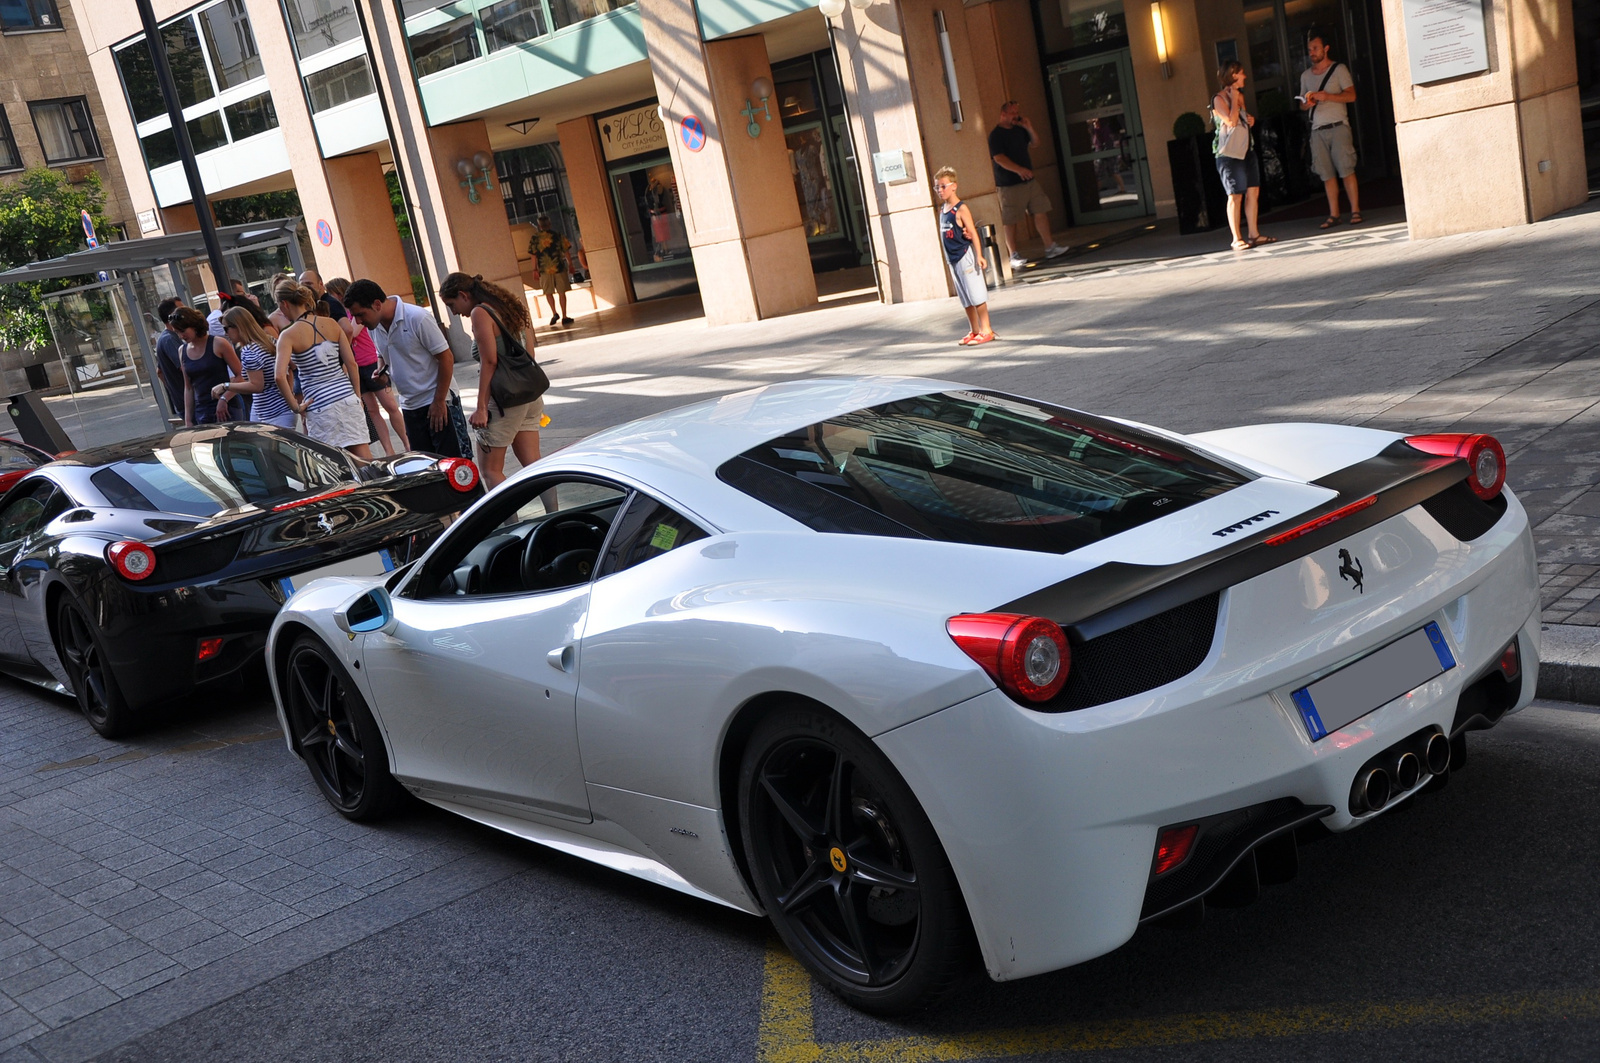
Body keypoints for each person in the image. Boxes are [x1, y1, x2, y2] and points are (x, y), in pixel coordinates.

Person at [438, 272, 545, 489]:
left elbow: (489, 361)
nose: (454, 312)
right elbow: (529, 352)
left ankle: (508, 523)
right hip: (529, 394)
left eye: (452, 304)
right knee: (534, 466)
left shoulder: (480, 312)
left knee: (490, 471)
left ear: (463, 295)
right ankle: (553, 514)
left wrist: (481, 408)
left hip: (504, 399)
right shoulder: (509, 306)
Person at [343, 279, 470, 459]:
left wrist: (440, 401)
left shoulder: (417, 317)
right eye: (354, 316)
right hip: (410, 406)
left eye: (360, 314)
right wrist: (381, 370)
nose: (358, 321)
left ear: (377, 304)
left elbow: (446, 358)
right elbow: (382, 352)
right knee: (426, 469)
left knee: (456, 467)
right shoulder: (374, 326)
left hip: (438, 401)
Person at [273, 280, 370, 459]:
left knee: (334, 462)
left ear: (284, 304)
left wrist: (295, 407)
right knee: (363, 456)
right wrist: (356, 395)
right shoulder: (332, 323)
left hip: (319, 405)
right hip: (347, 397)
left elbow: (279, 375)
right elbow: (351, 363)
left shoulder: (288, 335)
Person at [325, 277, 409, 455]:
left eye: (332, 294)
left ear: (339, 293)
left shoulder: (357, 313)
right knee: (372, 410)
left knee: (390, 406)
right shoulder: (345, 314)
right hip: (356, 365)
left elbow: (352, 332)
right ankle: (389, 450)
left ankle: (408, 443)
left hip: (370, 361)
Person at [989, 101, 1068, 269]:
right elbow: (999, 158)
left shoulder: (1019, 130)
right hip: (1009, 184)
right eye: (1012, 113)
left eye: (1017, 112)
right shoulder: (996, 135)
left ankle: (1050, 246)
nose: (1016, 116)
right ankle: (1013, 254)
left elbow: (1036, 143)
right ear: (1002, 114)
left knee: (1040, 210)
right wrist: (1018, 170)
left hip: (1029, 181)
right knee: (1011, 219)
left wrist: (1029, 127)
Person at [1301, 31, 1361, 228]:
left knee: (1346, 169)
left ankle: (1355, 211)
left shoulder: (1339, 69)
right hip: (1317, 130)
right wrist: (1307, 104)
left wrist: (1328, 97)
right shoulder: (1306, 76)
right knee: (1326, 174)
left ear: (1326, 48)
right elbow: (1302, 103)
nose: (1312, 52)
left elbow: (1351, 96)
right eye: (1310, 49)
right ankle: (1334, 214)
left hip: (1338, 126)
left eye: (1315, 48)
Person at [1212, 61, 1274, 252]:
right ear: (1232, 75)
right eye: (1241, 73)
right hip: (1229, 154)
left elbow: (1241, 121)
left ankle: (1254, 233)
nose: (1245, 76)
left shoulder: (1240, 96)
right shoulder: (1219, 99)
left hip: (1247, 149)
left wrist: (1250, 119)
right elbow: (1230, 121)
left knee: (1253, 191)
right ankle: (1236, 238)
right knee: (1235, 195)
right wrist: (1234, 100)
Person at [934, 167, 995, 347]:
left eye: (943, 186)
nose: (940, 190)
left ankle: (986, 329)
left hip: (964, 255)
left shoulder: (961, 209)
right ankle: (974, 329)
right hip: (951, 259)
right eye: (937, 187)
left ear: (954, 186)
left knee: (976, 294)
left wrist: (979, 255)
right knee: (965, 297)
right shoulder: (942, 210)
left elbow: (973, 233)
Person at [219, 306, 296, 428]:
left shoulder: (249, 351)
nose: (225, 333)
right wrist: (289, 392)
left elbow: (256, 386)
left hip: (270, 414)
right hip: (279, 409)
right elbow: (291, 366)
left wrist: (225, 386)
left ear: (238, 327)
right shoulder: (270, 340)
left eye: (226, 328)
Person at [170, 306, 246, 426]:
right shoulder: (182, 350)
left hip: (227, 406)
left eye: (183, 331)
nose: (181, 336)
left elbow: (240, 375)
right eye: (177, 332)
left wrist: (224, 398)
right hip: (202, 410)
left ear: (194, 326)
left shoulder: (218, 343)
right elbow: (188, 387)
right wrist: (188, 419)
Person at [530, 215, 576, 326]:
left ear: (539, 226)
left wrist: (534, 269)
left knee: (548, 292)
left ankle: (554, 313)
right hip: (559, 267)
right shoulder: (558, 236)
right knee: (561, 293)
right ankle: (564, 316)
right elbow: (566, 252)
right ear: (549, 224)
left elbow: (533, 256)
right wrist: (570, 265)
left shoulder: (535, 239)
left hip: (544, 269)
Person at [154, 297, 187, 422]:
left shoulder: (166, 338)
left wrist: (174, 390)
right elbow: (185, 368)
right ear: (172, 315)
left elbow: (159, 372)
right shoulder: (170, 340)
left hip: (182, 400)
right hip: (190, 403)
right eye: (182, 310)